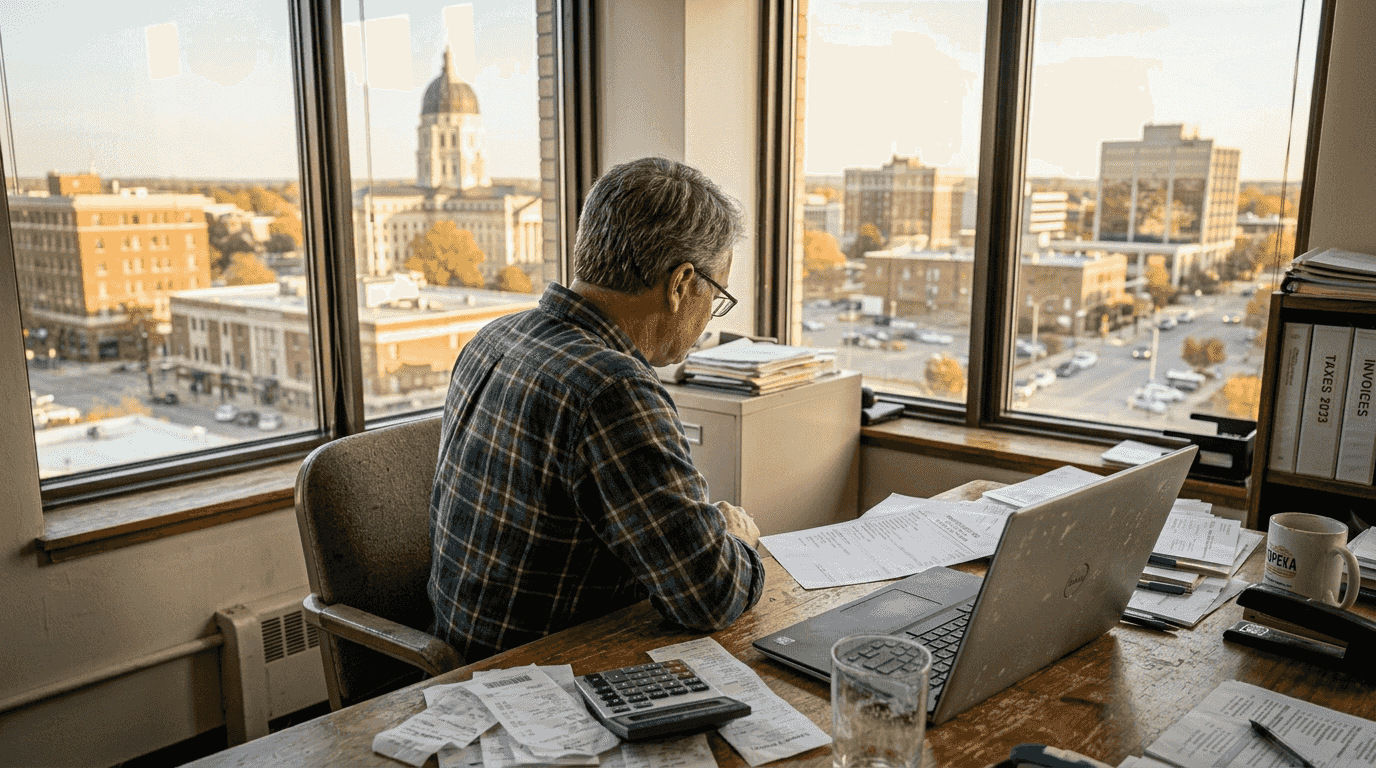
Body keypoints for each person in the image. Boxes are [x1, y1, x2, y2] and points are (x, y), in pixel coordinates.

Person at [428, 156, 766, 661]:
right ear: (679, 284)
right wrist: (735, 540)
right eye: (715, 295)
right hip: (546, 681)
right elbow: (710, 596)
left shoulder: (493, 337)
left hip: (459, 659)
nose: (710, 320)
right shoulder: (615, 390)